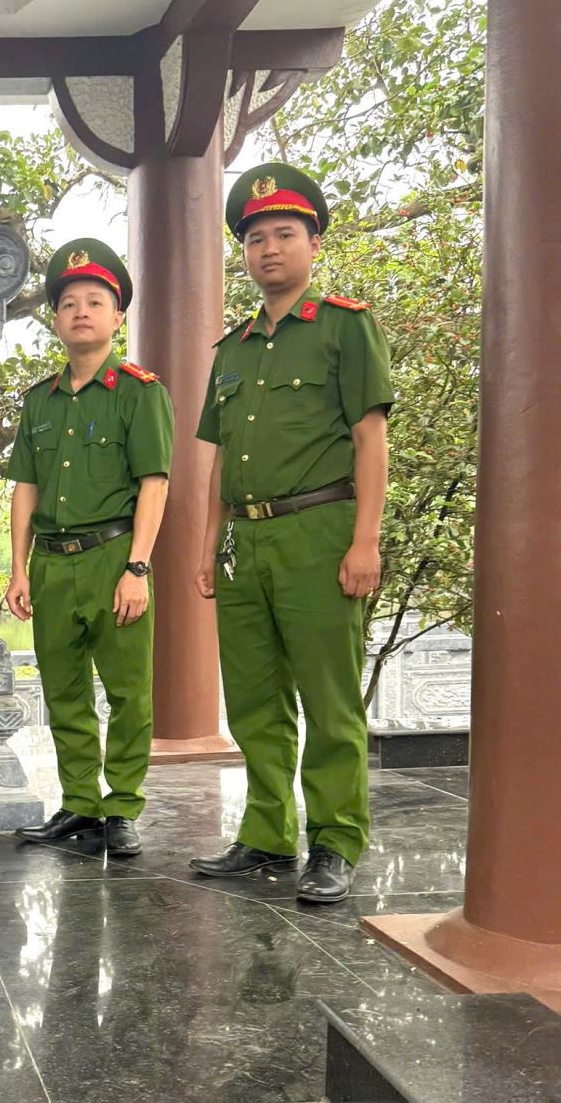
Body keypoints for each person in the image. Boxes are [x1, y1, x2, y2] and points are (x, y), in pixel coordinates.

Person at [189, 162, 393, 904]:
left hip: (319, 529)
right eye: (253, 238)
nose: (267, 249)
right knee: (252, 697)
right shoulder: (232, 349)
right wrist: (208, 541)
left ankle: (335, 841)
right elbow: (217, 461)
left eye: (283, 234)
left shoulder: (343, 325)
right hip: (247, 541)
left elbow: (369, 438)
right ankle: (267, 835)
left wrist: (363, 540)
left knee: (328, 697)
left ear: (311, 242)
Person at [5, 239, 173, 854]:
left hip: (112, 558)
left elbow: (155, 483)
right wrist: (19, 570)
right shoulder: (38, 402)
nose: (81, 311)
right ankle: (80, 803)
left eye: (95, 301)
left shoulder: (139, 392)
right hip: (51, 564)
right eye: (69, 302)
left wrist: (137, 566)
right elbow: (25, 486)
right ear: (55, 318)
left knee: (129, 690)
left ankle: (122, 807)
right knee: (64, 690)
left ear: (117, 315)